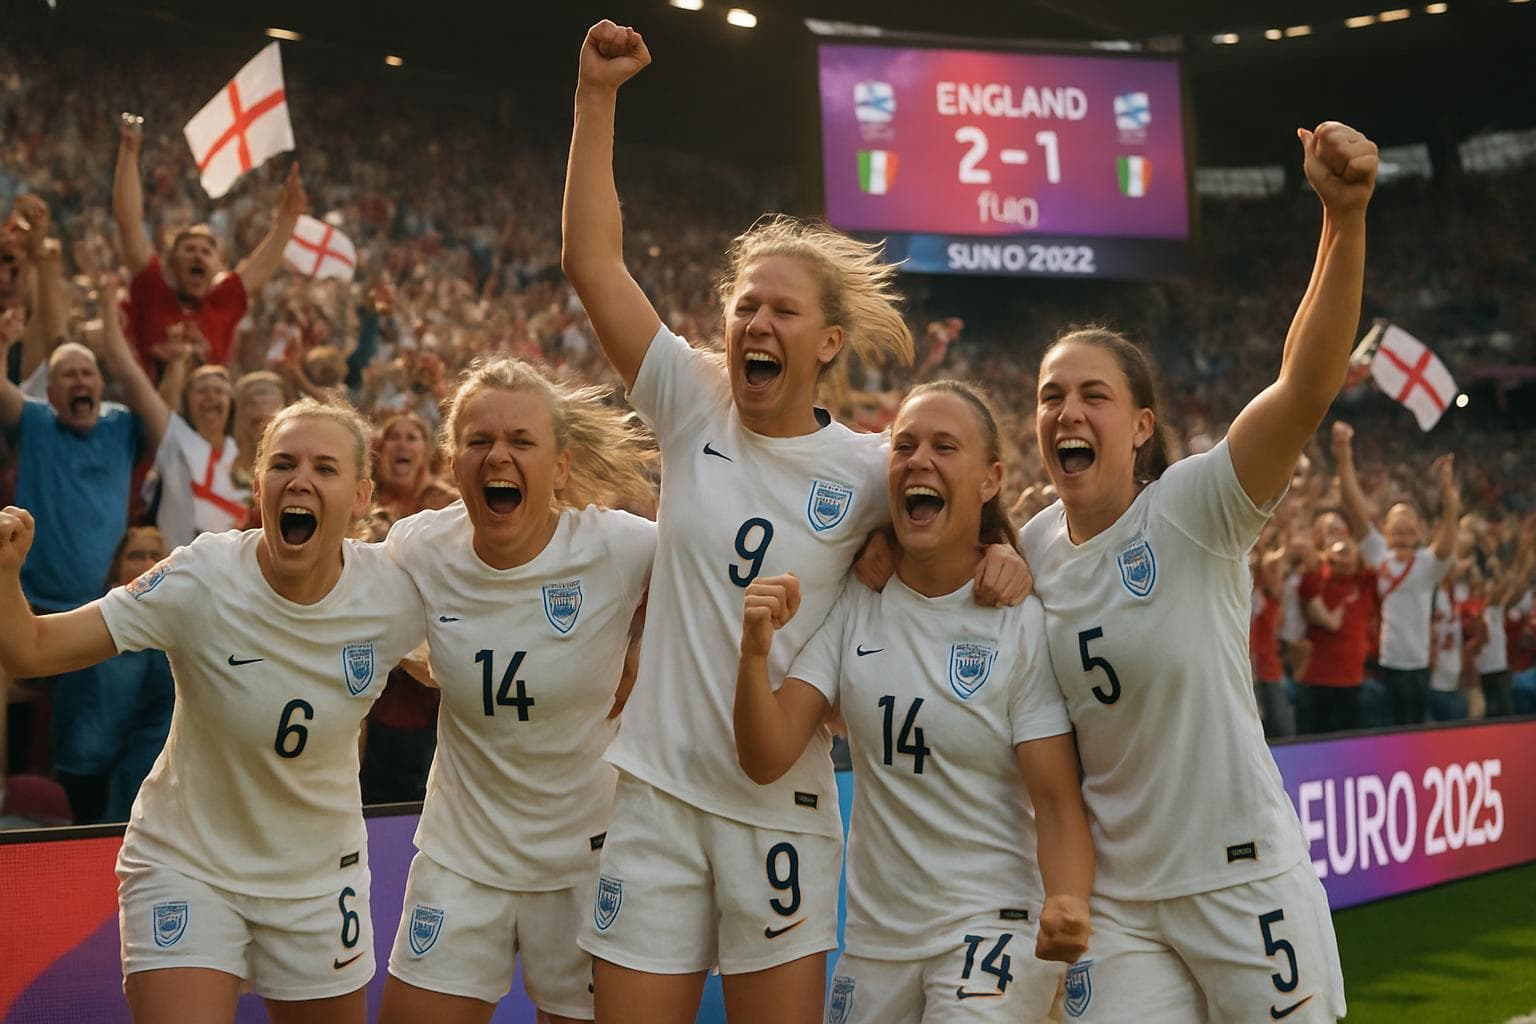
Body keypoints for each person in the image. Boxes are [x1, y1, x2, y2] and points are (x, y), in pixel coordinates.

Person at [560, 21, 1027, 1023]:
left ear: (826, 342)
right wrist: (596, 98)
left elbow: (960, 526)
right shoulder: (691, 402)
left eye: (780, 312)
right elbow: (592, 261)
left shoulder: (872, 467)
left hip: (781, 809)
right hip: (654, 797)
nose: (756, 325)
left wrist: (1005, 561)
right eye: (743, 308)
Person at [1018, 121, 1377, 1021]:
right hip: (1124, 907)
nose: (1067, 409)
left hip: (1243, 881)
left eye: (1093, 394)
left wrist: (1342, 219)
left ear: (1141, 425)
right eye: (1051, 395)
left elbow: (1303, 388)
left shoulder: (1191, 508)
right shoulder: (1027, 551)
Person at [0, 397, 426, 1023]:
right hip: (188, 863)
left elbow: (483, 660)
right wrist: (5, 570)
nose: (300, 479)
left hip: (317, 877)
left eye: (325, 468)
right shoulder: (201, 576)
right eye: (283, 463)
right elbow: (31, 650)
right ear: (260, 485)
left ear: (361, 496)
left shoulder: (393, 593)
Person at [734, 381, 1093, 1024]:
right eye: (904, 445)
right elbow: (767, 755)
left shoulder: (1018, 620)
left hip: (992, 928)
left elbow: (1057, 800)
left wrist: (1066, 898)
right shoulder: (855, 601)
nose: (919, 459)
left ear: (990, 481)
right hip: (876, 944)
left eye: (944, 446)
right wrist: (754, 655)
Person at [378, 358, 657, 1024]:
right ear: (452, 460)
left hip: (586, 862)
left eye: (521, 442)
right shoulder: (418, 549)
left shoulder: (619, 548)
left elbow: (726, 566)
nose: (497, 455)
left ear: (560, 466)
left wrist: (649, 638)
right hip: (461, 855)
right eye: (478, 441)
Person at [113, 116, 306, 376]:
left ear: (217, 266)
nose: (198, 256)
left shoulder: (220, 303)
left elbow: (258, 269)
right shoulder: (152, 290)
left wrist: (288, 220)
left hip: (208, 407)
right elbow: (129, 222)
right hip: (153, 409)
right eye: (189, 249)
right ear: (170, 263)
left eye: (206, 252)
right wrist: (129, 151)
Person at [359, 412, 459, 805]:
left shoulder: (449, 508)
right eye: (393, 438)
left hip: (434, 694)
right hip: (372, 692)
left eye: (412, 436)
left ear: (427, 452)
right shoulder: (362, 508)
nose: (401, 444)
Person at [1334, 421, 1460, 725]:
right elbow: (1353, 505)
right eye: (1396, 526)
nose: (1403, 530)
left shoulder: (1428, 564)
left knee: (1416, 731)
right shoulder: (1380, 554)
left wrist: (1447, 490)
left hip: (1419, 664)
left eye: (1409, 526)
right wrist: (1343, 453)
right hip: (1389, 662)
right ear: (1386, 531)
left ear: (1418, 532)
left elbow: (1448, 535)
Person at [149, 360, 245, 548]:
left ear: (230, 403)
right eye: (202, 391)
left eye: (219, 391)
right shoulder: (177, 441)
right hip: (178, 565)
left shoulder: (241, 454)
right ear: (187, 401)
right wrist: (178, 360)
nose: (210, 396)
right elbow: (163, 406)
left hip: (228, 570)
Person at [1295, 536, 1376, 735]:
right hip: (1319, 681)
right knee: (1317, 742)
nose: (1344, 557)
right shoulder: (1318, 581)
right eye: (1339, 551)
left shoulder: (1365, 584)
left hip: (1353, 681)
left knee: (1351, 747)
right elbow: (1307, 584)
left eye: (1349, 550)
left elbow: (1376, 557)